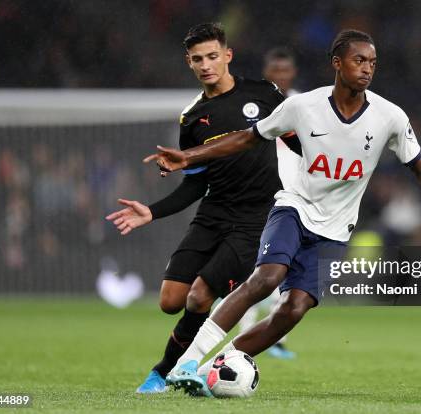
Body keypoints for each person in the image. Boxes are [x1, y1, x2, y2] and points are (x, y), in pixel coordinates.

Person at [147, 29, 421, 396]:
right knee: (267, 278)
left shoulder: (390, 117)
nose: (367, 69)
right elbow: (247, 137)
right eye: (359, 60)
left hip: (336, 229)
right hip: (293, 208)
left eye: (372, 62)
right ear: (337, 63)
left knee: (294, 308)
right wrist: (188, 156)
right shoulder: (303, 106)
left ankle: (210, 369)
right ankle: (187, 363)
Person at [105, 22, 299, 394]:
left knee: (198, 296)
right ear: (189, 64)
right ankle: (189, 354)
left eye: (213, 56)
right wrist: (152, 211)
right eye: (198, 59)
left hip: (256, 219)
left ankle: (164, 371)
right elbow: (194, 182)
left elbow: (298, 139)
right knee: (171, 300)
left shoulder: (264, 94)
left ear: (227, 56)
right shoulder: (192, 118)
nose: (206, 64)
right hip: (213, 213)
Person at [237, 47, 301, 360]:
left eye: (285, 70)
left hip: (296, 195)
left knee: (289, 267)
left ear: (293, 73)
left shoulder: (305, 105)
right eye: (275, 70)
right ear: (267, 73)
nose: (281, 76)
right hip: (259, 193)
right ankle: (246, 332)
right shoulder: (254, 106)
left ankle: (275, 337)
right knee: (259, 268)